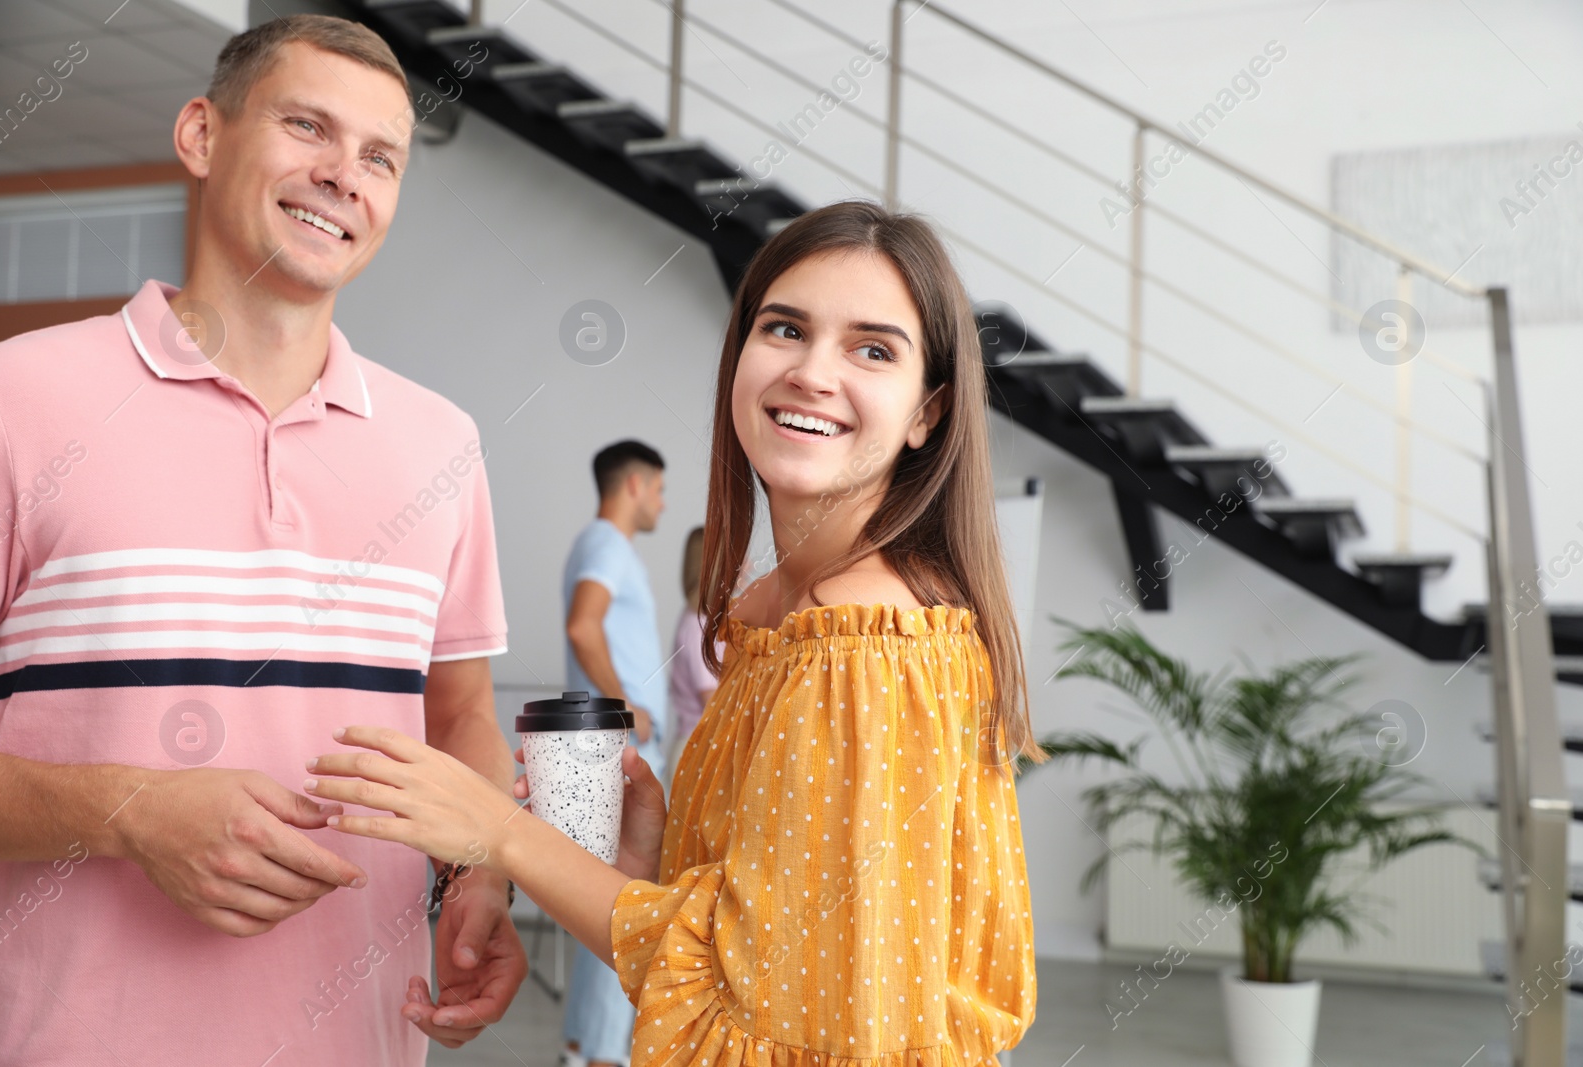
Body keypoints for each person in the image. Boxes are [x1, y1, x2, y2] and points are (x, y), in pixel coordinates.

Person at [306, 200, 1046, 1065]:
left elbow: (778, 1019)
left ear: (928, 412)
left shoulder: (861, 648)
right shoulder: (776, 608)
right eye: (785, 328)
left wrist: (499, 831)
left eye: (872, 349)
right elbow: (742, 965)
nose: (812, 371)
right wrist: (654, 864)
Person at [0, 15, 525, 1064]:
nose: (344, 175)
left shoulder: (442, 447)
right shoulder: (17, 398)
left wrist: (482, 879)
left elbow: (459, 718)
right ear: (201, 134)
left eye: (380, 157)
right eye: (306, 128)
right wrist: (128, 809)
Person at [559, 439, 670, 1067]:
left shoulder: (600, 544)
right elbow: (583, 624)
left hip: (604, 742)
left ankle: (581, 1048)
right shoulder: (606, 542)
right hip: (613, 744)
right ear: (633, 484)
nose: (660, 501)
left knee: (601, 900)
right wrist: (626, 704)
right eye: (657, 488)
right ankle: (603, 1055)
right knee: (623, 905)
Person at [664, 526, 718, 786]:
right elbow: (713, 701)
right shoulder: (698, 627)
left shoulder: (701, 622)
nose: (748, 564)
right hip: (697, 751)